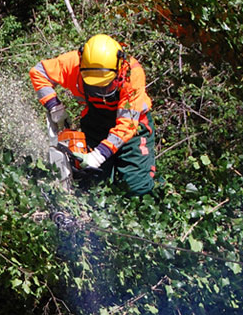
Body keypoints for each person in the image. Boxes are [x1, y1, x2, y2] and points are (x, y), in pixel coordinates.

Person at [29, 33, 159, 196]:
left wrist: (98, 155)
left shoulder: (131, 74)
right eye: (95, 86)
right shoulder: (73, 64)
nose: (100, 91)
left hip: (133, 128)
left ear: (118, 69)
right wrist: (54, 106)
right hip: (95, 123)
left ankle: (154, 204)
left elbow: (127, 125)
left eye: (104, 85)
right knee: (91, 185)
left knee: (136, 187)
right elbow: (39, 72)